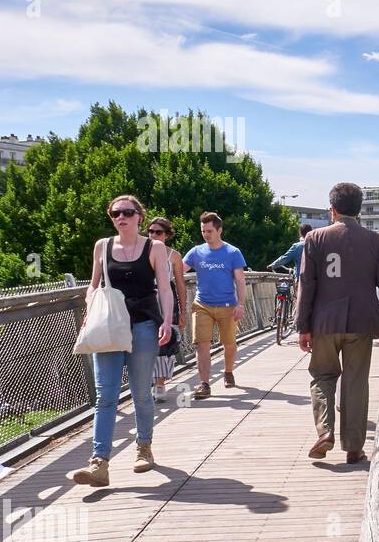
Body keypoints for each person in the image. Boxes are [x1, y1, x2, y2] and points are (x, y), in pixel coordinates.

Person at [68, 195, 174, 487]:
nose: (121, 217)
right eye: (115, 213)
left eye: (127, 212)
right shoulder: (102, 246)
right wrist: (89, 312)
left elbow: (164, 289)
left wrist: (166, 320)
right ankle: (99, 463)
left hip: (142, 323)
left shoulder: (155, 247)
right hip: (110, 327)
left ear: (139, 216)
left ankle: (144, 448)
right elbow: (93, 286)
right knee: (106, 396)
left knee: (141, 391)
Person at [296, 182, 379, 464]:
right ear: (359, 211)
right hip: (361, 321)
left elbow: (306, 284)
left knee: (322, 376)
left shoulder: (315, 239)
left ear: (331, 209)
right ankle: (354, 448)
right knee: (356, 382)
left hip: (324, 322)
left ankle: (325, 431)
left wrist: (302, 326)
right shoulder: (374, 241)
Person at [183, 211, 247, 397]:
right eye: (203, 231)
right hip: (202, 305)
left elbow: (240, 280)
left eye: (209, 231)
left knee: (229, 344)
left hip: (227, 305)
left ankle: (228, 371)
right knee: (202, 344)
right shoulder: (196, 252)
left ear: (219, 230)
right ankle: (204, 384)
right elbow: (179, 269)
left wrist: (240, 304)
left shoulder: (232, 252)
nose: (206, 234)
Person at [146, 217, 187, 405]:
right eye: (151, 231)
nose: (154, 235)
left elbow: (180, 284)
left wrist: (183, 310)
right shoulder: (140, 251)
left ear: (167, 235)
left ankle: (160, 385)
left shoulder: (174, 256)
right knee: (143, 340)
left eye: (158, 232)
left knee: (164, 342)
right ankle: (146, 383)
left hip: (166, 300)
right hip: (144, 299)